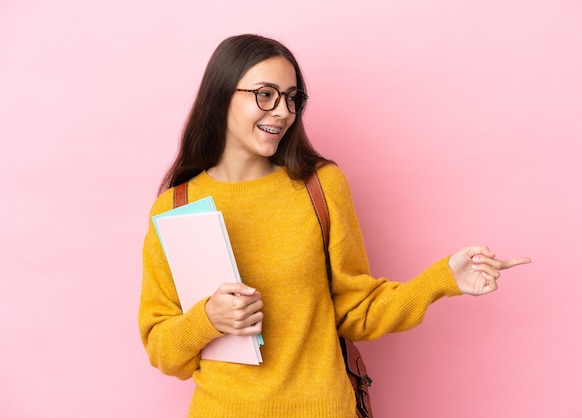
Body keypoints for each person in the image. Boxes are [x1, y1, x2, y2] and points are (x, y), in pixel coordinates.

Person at [139, 34, 531, 418]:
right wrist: (207, 319)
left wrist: (443, 280)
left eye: (293, 98)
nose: (282, 111)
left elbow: (354, 310)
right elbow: (163, 349)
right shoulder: (176, 207)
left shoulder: (320, 186)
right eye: (265, 94)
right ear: (221, 95)